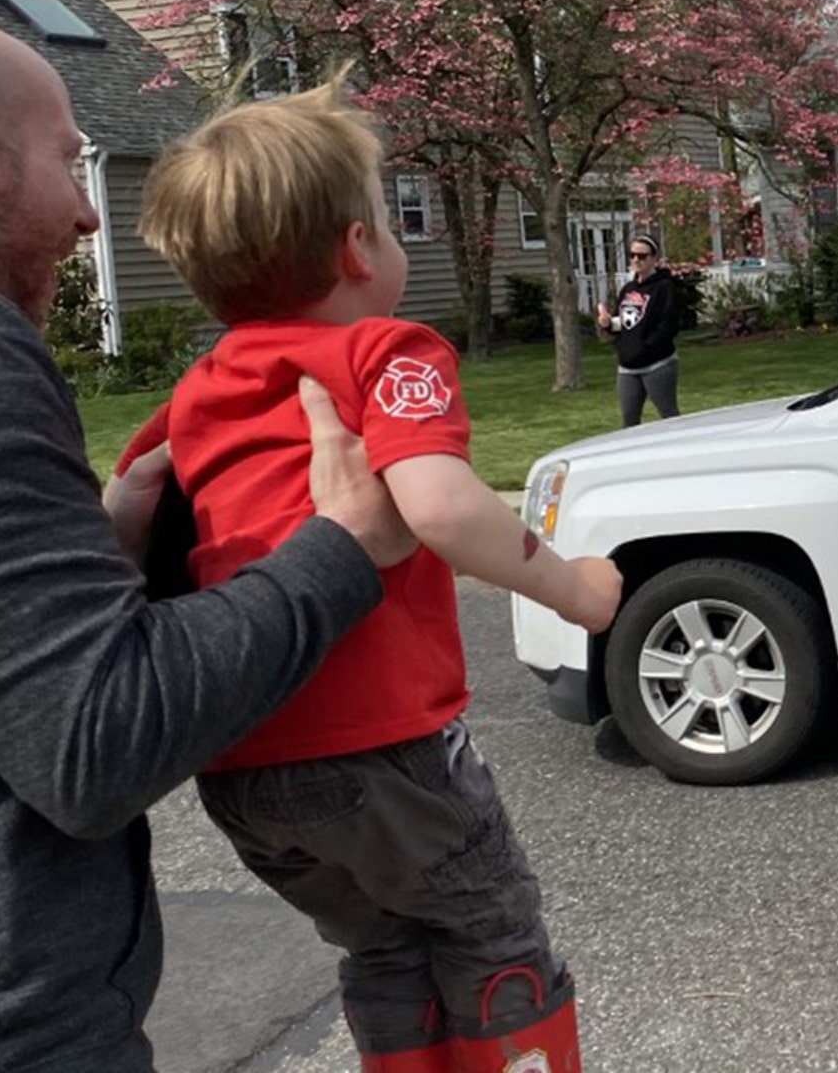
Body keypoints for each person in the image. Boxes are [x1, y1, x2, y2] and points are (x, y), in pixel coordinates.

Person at [119, 81, 623, 1072]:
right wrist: (578, 590)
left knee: (382, 946)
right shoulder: (388, 350)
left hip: (243, 762)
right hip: (380, 749)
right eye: (393, 222)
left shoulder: (203, 386)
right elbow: (438, 506)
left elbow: (134, 500)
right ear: (359, 249)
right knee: (494, 932)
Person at [0, 14, 415, 1073]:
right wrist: (341, 548)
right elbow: (90, 746)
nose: (83, 213)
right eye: (72, 161)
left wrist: (104, 552)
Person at [596, 234, 681, 427]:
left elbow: (669, 325)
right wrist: (608, 323)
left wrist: (647, 346)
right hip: (627, 368)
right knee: (629, 421)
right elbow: (624, 323)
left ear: (654, 259)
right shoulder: (628, 288)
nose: (636, 260)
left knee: (669, 418)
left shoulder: (664, 287)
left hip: (657, 365)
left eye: (642, 256)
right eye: (632, 255)